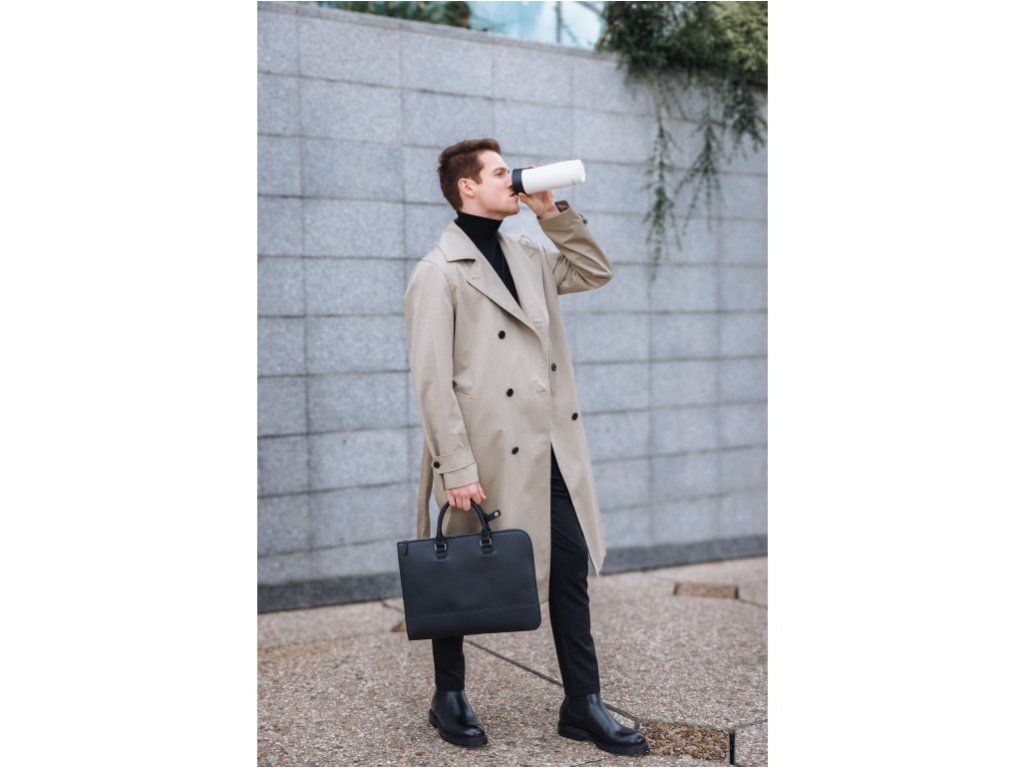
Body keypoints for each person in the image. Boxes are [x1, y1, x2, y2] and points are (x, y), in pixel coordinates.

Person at [403, 138, 649, 756]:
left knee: (570, 569)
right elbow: (432, 382)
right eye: (498, 172)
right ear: (467, 186)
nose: (512, 179)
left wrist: (551, 212)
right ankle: (448, 696)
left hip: (550, 446)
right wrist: (455, 465)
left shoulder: (531, 252)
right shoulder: (438, 271)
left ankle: (582, 703)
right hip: (483, 451)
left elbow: (594, 271)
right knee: (456, 569)